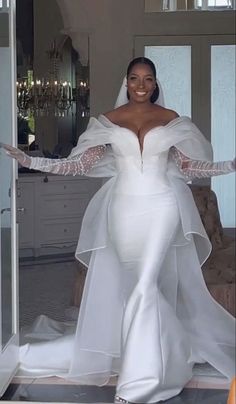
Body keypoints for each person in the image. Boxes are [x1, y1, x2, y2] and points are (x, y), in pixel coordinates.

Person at [1, 57, 235, 404]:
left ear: (155, 84)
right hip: (124, 211)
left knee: (144, 285)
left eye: (148, 79)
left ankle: (136, 386)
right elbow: (79, 164)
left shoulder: (172, 120)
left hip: (162, 207)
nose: (141, 85)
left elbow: (189, 165)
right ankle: (168, 351)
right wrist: (30, 160)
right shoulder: (107, 122)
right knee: (138, 288)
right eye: (135, 78)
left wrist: (230, 165)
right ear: (126, 82)